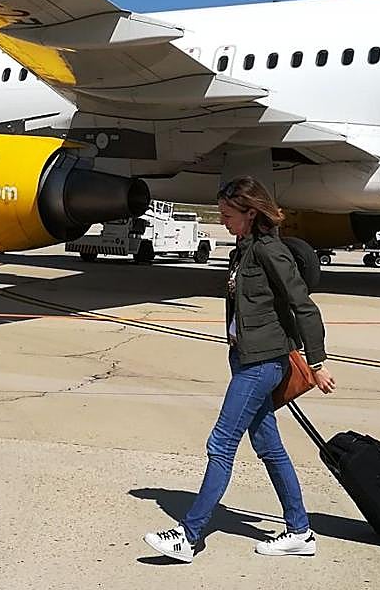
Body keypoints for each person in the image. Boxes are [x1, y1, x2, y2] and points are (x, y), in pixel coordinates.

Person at [144, 176, 336, 563]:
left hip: (261, 364)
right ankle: (299, 531)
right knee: (269, 448)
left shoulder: (270, 251)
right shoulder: (243, 251)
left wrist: (316, 362)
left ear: (251, 213)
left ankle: (190, 535)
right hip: (246, 358)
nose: (223, 220)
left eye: (229, 214)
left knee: (221, 443)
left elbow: (304, 305)